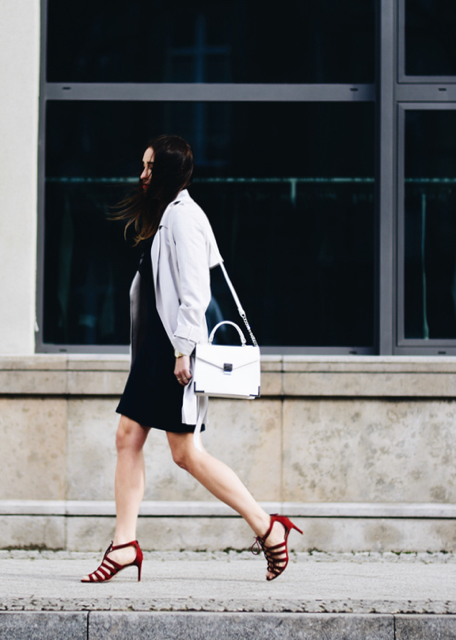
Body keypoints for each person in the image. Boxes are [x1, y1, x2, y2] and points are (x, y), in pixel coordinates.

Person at [81, 135, 301, 583]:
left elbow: (196, 294)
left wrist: (183, 351)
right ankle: (124, 543)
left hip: (174, 352)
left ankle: (267, 527)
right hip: (157, 351)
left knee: (186, 453)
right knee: (128, 437)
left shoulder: (183, 219)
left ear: (165, 171)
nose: (141, 174)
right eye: (141, 165)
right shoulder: (169, 217)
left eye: (148, 167)